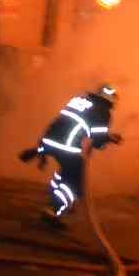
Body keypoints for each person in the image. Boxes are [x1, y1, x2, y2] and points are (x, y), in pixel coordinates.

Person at [18, 83, 122, 224]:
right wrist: (111, 139)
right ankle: (54, 210)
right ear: (110, 101)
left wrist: (43, 147)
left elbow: (61, 122)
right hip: (67, 146)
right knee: (76, 183)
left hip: (49, 139)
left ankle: (42, 156)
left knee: (64, 173)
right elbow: (98, 141)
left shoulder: (79, 100)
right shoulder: (103, 111)